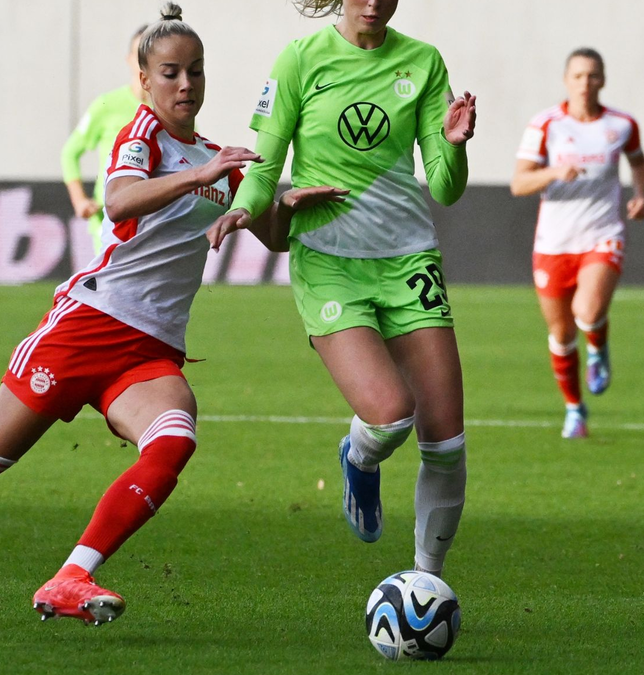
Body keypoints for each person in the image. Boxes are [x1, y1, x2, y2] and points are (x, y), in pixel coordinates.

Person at [0, 3, 340, 626]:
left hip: (150, 351)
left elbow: (273, 237)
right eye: (171, 72)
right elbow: (118, 199)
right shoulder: (140, 136)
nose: (186, 84)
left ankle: (73, 575)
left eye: (196, 71)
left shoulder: (218, 159)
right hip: (87, 325)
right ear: (145, 82)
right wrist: (198, 175)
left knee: (174, 439)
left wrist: (290, 205)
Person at [208, 0, 476, 578]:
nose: (374, 2)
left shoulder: (423, 62)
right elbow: (261, 167)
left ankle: (425, 583)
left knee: (446, 443)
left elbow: (447, 190)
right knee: (389, 416)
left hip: (409, 259)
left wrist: (452, 145)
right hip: (329, 261)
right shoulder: (301, 60)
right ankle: (359, 456)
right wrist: (244, 210)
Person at [510, 47, 644, 439]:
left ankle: (599, 346)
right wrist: (554, 172)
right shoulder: (546, 125)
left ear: (602, 80)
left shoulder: (621, 125)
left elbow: (637, 161)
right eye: (578, 76)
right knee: (561, 333)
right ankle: (574, 409)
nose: (585, 83)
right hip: (554, 243)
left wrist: (640, 195)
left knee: (587, 312)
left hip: (601, 234)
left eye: (592, 76)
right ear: (566, 80)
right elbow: (519, 183)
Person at [62, 24, 149, 255]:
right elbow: (69, 153)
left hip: (154, 218)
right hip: (111, 219)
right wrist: (79, 201)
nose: (143, 60)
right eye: (138, 53)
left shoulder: (170, 110)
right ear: (129, 59)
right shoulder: (107, 105)